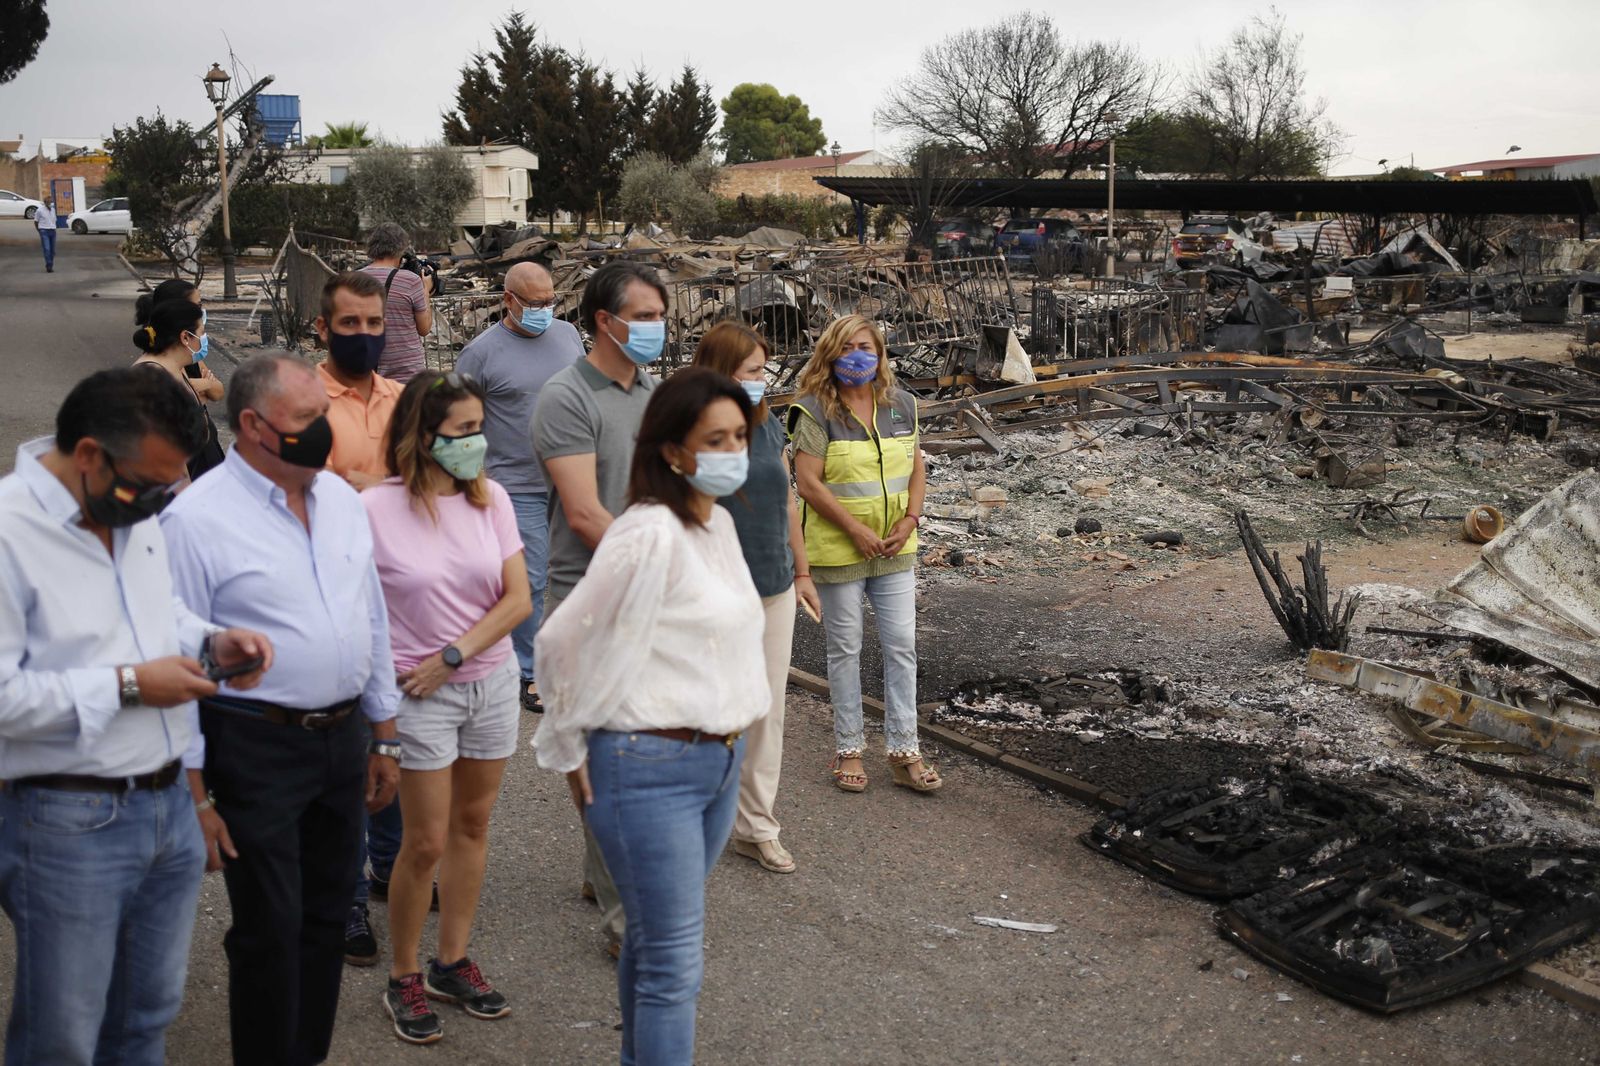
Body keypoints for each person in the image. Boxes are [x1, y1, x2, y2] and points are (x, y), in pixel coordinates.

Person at [0, 367, 272, 1066]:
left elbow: (159, 616)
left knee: (148, 1017)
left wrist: (209, 642)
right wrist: (128, 686)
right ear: (89, 454)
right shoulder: (9, 533)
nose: (161, 502)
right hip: (66, 821)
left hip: (168, 811)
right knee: (62, 1036)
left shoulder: (127, 511)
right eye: (150, 484)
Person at [161, 352, 403, 1066]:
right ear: (252, 426)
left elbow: (373, 617)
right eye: (307, 419)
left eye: (323, 415)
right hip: (252, 742)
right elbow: (175, 661)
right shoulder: (195, 521)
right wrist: (196, 792)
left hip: (343, 738)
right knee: (269, 925)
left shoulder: (342, 504)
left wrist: (383, 735)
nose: (324, 431)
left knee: (328, 917)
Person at [534, 367, 768, 1066]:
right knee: (674, 966)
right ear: (672, 450)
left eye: (739, 436)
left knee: (649, 941)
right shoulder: (645, 533)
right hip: (649, 766)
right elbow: (559, 641)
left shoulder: (717, 523)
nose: (733, 451)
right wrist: (571, 752)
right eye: (715, 439)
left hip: (719, 761)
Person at [361, 370, 532, 1044]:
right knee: (423, 841)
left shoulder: (493, 501)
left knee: (472, 826)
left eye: (478, 429)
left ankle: (451, 961)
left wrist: (454, 656)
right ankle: (404, 972)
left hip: (484, 683)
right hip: (416, 696)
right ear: (422, 435)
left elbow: (518, 600)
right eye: (463, 431)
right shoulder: (372, 508)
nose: (476, 443)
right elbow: (362, 612)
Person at [532, 259, 666, 952]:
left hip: (646, 598)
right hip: (586, 599)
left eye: (658, 315)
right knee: (603, 763)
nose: (654, 328)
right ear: (604, 321)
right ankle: (624, 922)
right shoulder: (565, 396)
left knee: (632, 757)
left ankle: (601, 872)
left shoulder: (653, 393)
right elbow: (584, 512)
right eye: (642, 316)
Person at [788, 315, 940, 793]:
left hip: (895, 547)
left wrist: (911, 519)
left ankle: (904, 750)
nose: (860, 356)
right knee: (845, 650)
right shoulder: (813, 410)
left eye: (868, 347)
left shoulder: (902, 406)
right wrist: (854, 530)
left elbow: (916, 469)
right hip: (839, 551)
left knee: (902, 648)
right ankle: (849, 748)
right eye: (849, 347)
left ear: (881, 354)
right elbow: (808, 482)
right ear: (831, 354)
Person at [690, 322, 820, 874]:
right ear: (721, 372)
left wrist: (803, 573)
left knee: (767, 710)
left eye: (763, 371)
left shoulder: (767, 428)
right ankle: (688, 820)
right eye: (750, 373)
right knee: (708, 710)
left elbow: (787, 500)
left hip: (773, 586)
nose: (760, 381)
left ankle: (756, 826)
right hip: (713, 592)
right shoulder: (692, 429)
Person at [455, 262, 583, 713]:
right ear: (508, 300)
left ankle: (567, 660)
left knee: (572, 574)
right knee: (528, 579)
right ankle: (530, 671)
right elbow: (457, 421)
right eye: (535, 304)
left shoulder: (568, 336)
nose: (546, 311)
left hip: (570, 478)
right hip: (513, 484)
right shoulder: (480, 353)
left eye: (551, 302)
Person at [314, 270, 404, 491]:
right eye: (350, 322)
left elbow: (436, 482)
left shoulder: (404, 399)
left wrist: (378, 484)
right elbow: (320, 489)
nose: (364, 334)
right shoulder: (301, 403)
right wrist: (401, 484)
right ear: (323, 329)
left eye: (373, 323)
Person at [132, 299, 226, 480]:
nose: (205, 340)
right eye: (202, 333)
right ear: (185, 337)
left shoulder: (172, 369)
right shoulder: (154, 378)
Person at [360, 223, 432, 385]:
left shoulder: (353, 280)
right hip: (406, 375)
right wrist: (425, 292)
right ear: (401, 249)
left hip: (367, 372)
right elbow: (424, 328)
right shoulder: (410, 280)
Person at [34, 198, 55, 272]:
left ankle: (50, 264)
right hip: (44, 231)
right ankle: (49, 265)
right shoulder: (40, 210)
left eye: (51, 202)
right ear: (45, 203)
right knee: (47, 248)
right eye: (49, 202)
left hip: (52, 231)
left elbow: (53, 220)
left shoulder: (53, 210)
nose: (51, 204)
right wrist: (39, 231)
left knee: (52, 250)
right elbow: (36, 221)